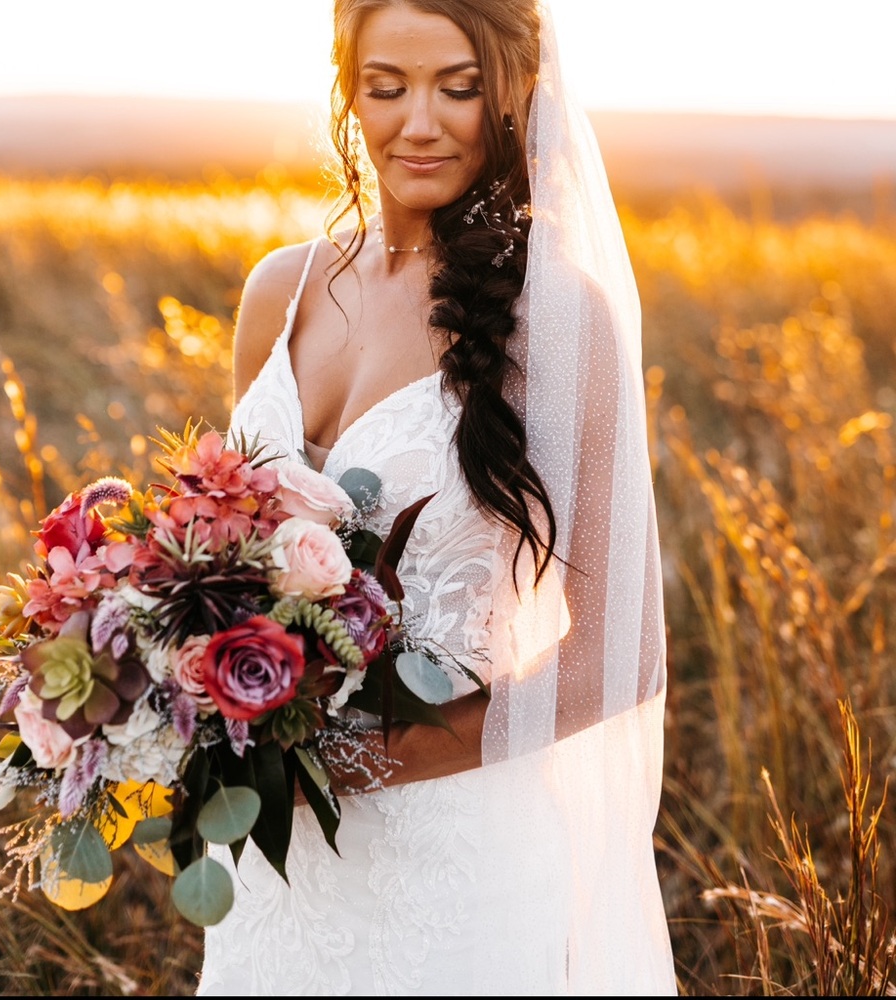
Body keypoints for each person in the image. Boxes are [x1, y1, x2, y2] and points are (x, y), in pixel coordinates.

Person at [197, 0, 676, 994]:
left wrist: (349, 761)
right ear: (346, 95)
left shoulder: (556, 323)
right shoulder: (275, 290)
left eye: (457, 88)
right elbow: (217, 548)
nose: (419, 122)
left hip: (458, 869)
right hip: (276, 863)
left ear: (511, 99)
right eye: (387, 87)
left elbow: (617, 656)